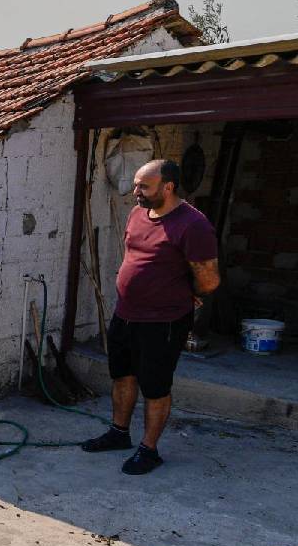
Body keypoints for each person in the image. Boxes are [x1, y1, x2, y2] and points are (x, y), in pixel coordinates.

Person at [81, 159, 220, 475]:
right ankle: (119, 433)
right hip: (126, 313)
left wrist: (188, 290)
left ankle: (149, 449)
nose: (135, 191)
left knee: (155, 387)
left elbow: (209, 280)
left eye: (143, 186)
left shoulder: (193, 225)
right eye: (136, 184)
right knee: (122, 376)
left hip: (163, 322)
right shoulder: (137, 214)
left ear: (168, 187)